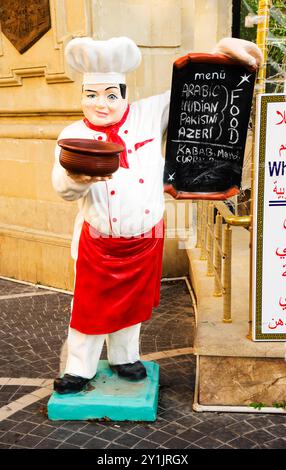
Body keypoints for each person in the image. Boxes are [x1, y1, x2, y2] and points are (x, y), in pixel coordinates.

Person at [52, 36, 262, 394]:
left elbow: (193, 89)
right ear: (82, 96)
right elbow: (62, 187)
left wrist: (225, 54)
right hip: (99, 243)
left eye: (110, 95)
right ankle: (78, 367)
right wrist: (79, 177)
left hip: (144, 239)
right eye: (92, 95)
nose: (101, 104)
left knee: (132, 305)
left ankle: (125, 357)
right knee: (89, 308)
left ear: (124, 92)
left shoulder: (150, 114)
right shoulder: (73, 135)